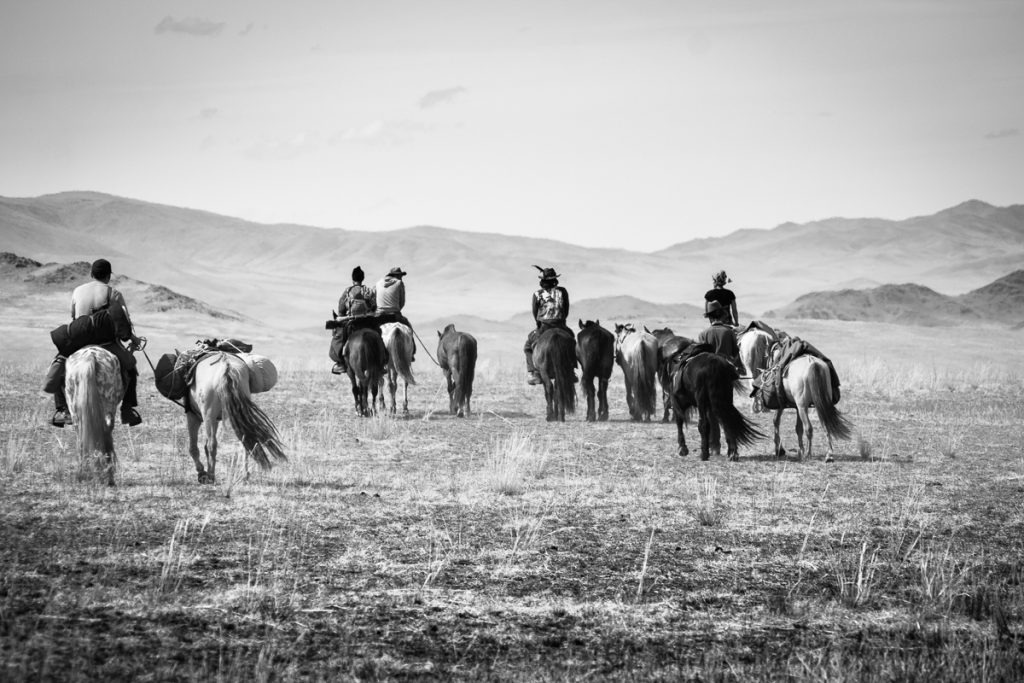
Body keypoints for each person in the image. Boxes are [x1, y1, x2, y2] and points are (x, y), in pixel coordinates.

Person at [50, 258, 143, 427]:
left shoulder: (77, 290)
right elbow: (123, 323)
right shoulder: (114, 293)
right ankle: (127, 410)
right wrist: (134, 340)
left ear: (92, 274)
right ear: (108, 276)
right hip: (106, 341)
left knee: (58, 365)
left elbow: (74, 317)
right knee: (130, 367)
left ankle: (62, 410)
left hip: (79, 338)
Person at [524, 266, 575, 385]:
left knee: (528, 346)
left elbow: (535, 312)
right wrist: (561, 320)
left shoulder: (537, 294)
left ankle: (533, 372)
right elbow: (566, 310)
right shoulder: (563, 291)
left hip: (544, 326)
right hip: (561, 325)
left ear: (542, 281)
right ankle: (572, 370)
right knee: (572, 340)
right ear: (555, 280)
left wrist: (539, 324)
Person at [329, 266, 377, 374]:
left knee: (340, 340)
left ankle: (341, 364)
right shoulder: (368, 291)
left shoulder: (347, 292)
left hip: (351, 323)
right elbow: (374, 306)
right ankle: (381, 361)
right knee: (379, 336)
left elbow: (341, 309)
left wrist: (342, 316)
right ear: (362, 278)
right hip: (367, 322)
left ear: (352, 279)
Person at [374, 266, 416, 359]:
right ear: (396, 275)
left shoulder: (378, 283)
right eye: (400, 275)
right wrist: (396, 308)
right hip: (394, 315)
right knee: (408, 327)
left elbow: (374, 297)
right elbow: (402, 302)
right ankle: (411, 352)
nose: (401, 277)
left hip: (379, 316)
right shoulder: (399, 283)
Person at [698, 300, 742, 371]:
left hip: (710, 370)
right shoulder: (729, 332)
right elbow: (735, 353)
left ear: (710, 318)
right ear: (722, 315)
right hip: (726, 369)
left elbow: (701, 356)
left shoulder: (703, 334)